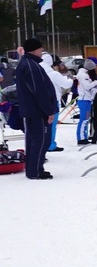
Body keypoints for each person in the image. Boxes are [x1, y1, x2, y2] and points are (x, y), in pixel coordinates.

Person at [14, 38, 59, 179]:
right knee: (40, 140)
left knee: (35, 139)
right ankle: (35, 170)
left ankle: (34, 168)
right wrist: (48, 110)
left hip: (32, 109)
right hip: (37, 111)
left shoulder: (29, 64)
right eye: (40, 49)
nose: (41, 52)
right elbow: (39, 90)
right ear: (34, 50)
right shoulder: (31, 66)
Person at [74, 58, 97, 145]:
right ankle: (81, 138)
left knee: (85, 119)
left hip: (86, 99)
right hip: (84, 99)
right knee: (84, 120)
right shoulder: (84, 75)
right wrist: (96, 82)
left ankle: (83, 137)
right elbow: (87, 86)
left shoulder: (83, 74)